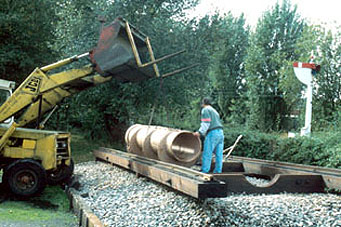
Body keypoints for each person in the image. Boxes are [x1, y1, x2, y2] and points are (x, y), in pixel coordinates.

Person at [193, 97, 224, 173]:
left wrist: (199, 132)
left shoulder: (205, 110)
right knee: (219, 155)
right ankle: (218, 171)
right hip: (221, 133)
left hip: (212, 133)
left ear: (203, 103)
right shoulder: (214, 111)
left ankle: (205, 171)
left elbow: (206, 123)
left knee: (207, 153)